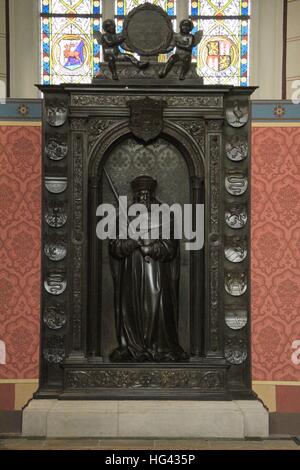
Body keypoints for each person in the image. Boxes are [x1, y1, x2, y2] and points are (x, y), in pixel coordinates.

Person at [109, 175, 187, 362]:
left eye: (147, 195)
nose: (143, 199)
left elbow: (171, 246)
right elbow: (114, 246)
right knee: (131, 308)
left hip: (157, 271)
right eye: (139, 195)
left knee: (157, 308)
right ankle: (133, 347)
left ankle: (158, 348)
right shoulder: (124, 216)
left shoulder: (165, 216)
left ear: (152, 196)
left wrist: (150, 248)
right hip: (131, 271)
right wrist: (130, 243)